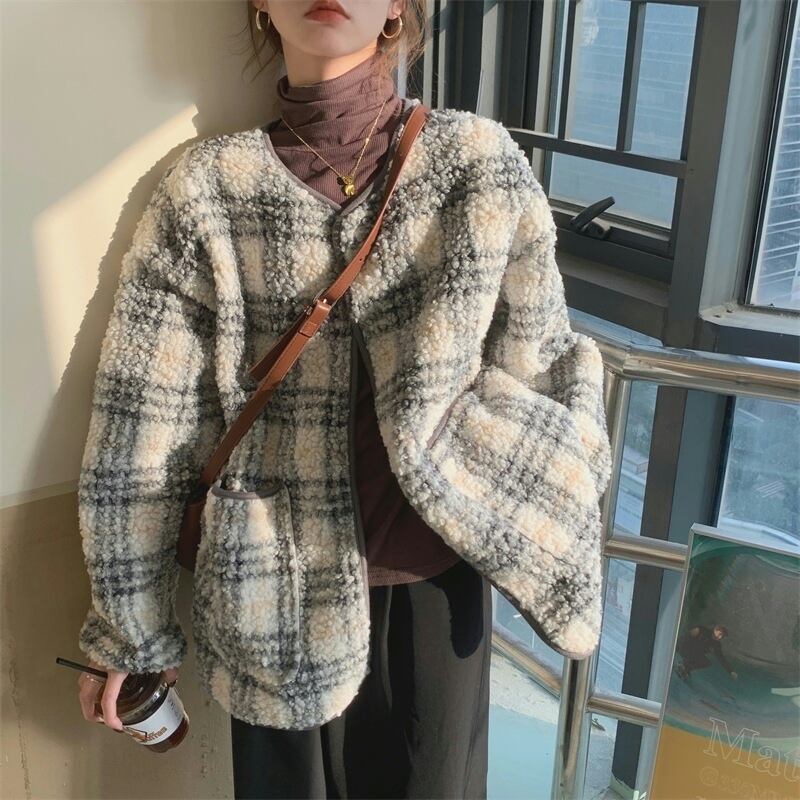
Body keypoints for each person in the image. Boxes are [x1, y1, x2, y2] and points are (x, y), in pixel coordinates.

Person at [76, 1, 613, 797]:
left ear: (397, 5)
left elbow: (542, 361)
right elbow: (141, 426)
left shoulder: (475, 162)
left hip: (438, 588)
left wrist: (522, 488)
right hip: (268, 592)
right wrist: (129, 628)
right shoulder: (206, 192)